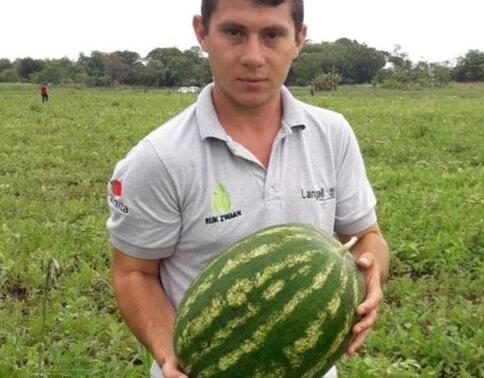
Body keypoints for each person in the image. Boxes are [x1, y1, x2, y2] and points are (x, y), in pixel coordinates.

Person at [106, 1, 390, 377]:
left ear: (299, 39)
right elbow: (133, 273)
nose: (253, 57)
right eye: (234, 33)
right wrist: (168, 353)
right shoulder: (159, 158)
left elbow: (367, 236)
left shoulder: (332, 135)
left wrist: (373, 276)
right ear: (202, 33)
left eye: (272, 34)